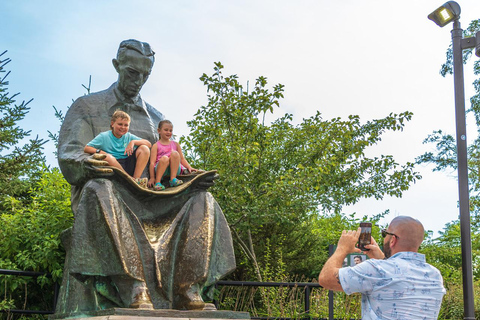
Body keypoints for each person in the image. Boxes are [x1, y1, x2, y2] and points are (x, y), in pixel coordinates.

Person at [56, 39, 235, 313]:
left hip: (152, 196)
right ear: (117, 66)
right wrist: (92, 162)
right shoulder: (87, 106)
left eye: (145, 75)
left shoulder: (155, 117)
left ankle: (188, 288)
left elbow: (164, 162)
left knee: (203, 198)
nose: (138, 80)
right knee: (100, 187)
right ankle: (133, 286)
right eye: (131, 72)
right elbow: (69, 153)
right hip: (111, 193)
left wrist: (190, 176)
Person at [318, 216, 445, 319]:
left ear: (393, 240)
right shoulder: (435, 275)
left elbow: (326, 278)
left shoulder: (376, 269)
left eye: (385, 233)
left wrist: (342, 248)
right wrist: (383, 259)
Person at [84, 110, 151, 187]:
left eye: (126, 125)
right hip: (115, 166)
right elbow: (87, 148)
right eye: (120, 124)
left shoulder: (129, 136)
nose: (123, 127)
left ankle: (136, 179)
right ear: (112, 124)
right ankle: (130, 180)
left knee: (144, 148)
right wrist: (99, 151)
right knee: (107, 157)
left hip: (128, 163)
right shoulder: (103, 136)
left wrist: (133, 142)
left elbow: (148, 144)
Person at [148, 119, 196, 191]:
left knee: (175, 154)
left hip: (174, 169)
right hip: (161, 169)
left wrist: (189, 167)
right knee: (165, 158)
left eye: (170, 131)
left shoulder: (176, 144)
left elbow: (182, 159)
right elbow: (152, 163)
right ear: (159, 131)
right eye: (166, 130)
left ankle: (173, 179)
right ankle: (158, 182)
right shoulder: (156, 146)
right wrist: (152, 177)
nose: (168, 132)